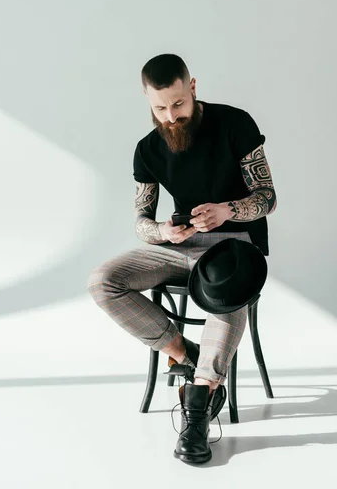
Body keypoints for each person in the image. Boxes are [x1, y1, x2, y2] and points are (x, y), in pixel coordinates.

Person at [87, 53, 277, 464]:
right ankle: (184, 353)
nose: (170, 116)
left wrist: (226, 210)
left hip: (233, 246)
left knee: (226, 289)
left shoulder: (234, 123)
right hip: (179, 246)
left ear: (192, 88)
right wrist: (162, 232)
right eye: (159, 107)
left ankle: (199, 407)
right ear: (147, 100)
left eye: (177, 104)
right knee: (104, 280)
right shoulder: (147, 149)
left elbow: (267, 197)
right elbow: (141, 220)